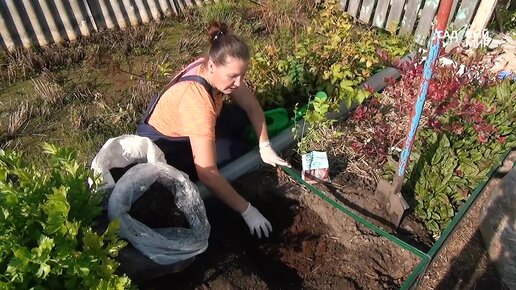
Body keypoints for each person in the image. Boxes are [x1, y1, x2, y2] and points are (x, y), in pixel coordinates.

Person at [136, 21, 290, 239]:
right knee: (236, 153)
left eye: (242, 75)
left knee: (239, 118)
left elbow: (251, 106)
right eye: (233, 77)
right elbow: (207, 174)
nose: (239, 83)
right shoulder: (196, 102)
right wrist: (248, 210)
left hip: (195, 126)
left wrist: (265, 145)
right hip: (169, 149)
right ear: (211, 67)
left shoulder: (216, 68)